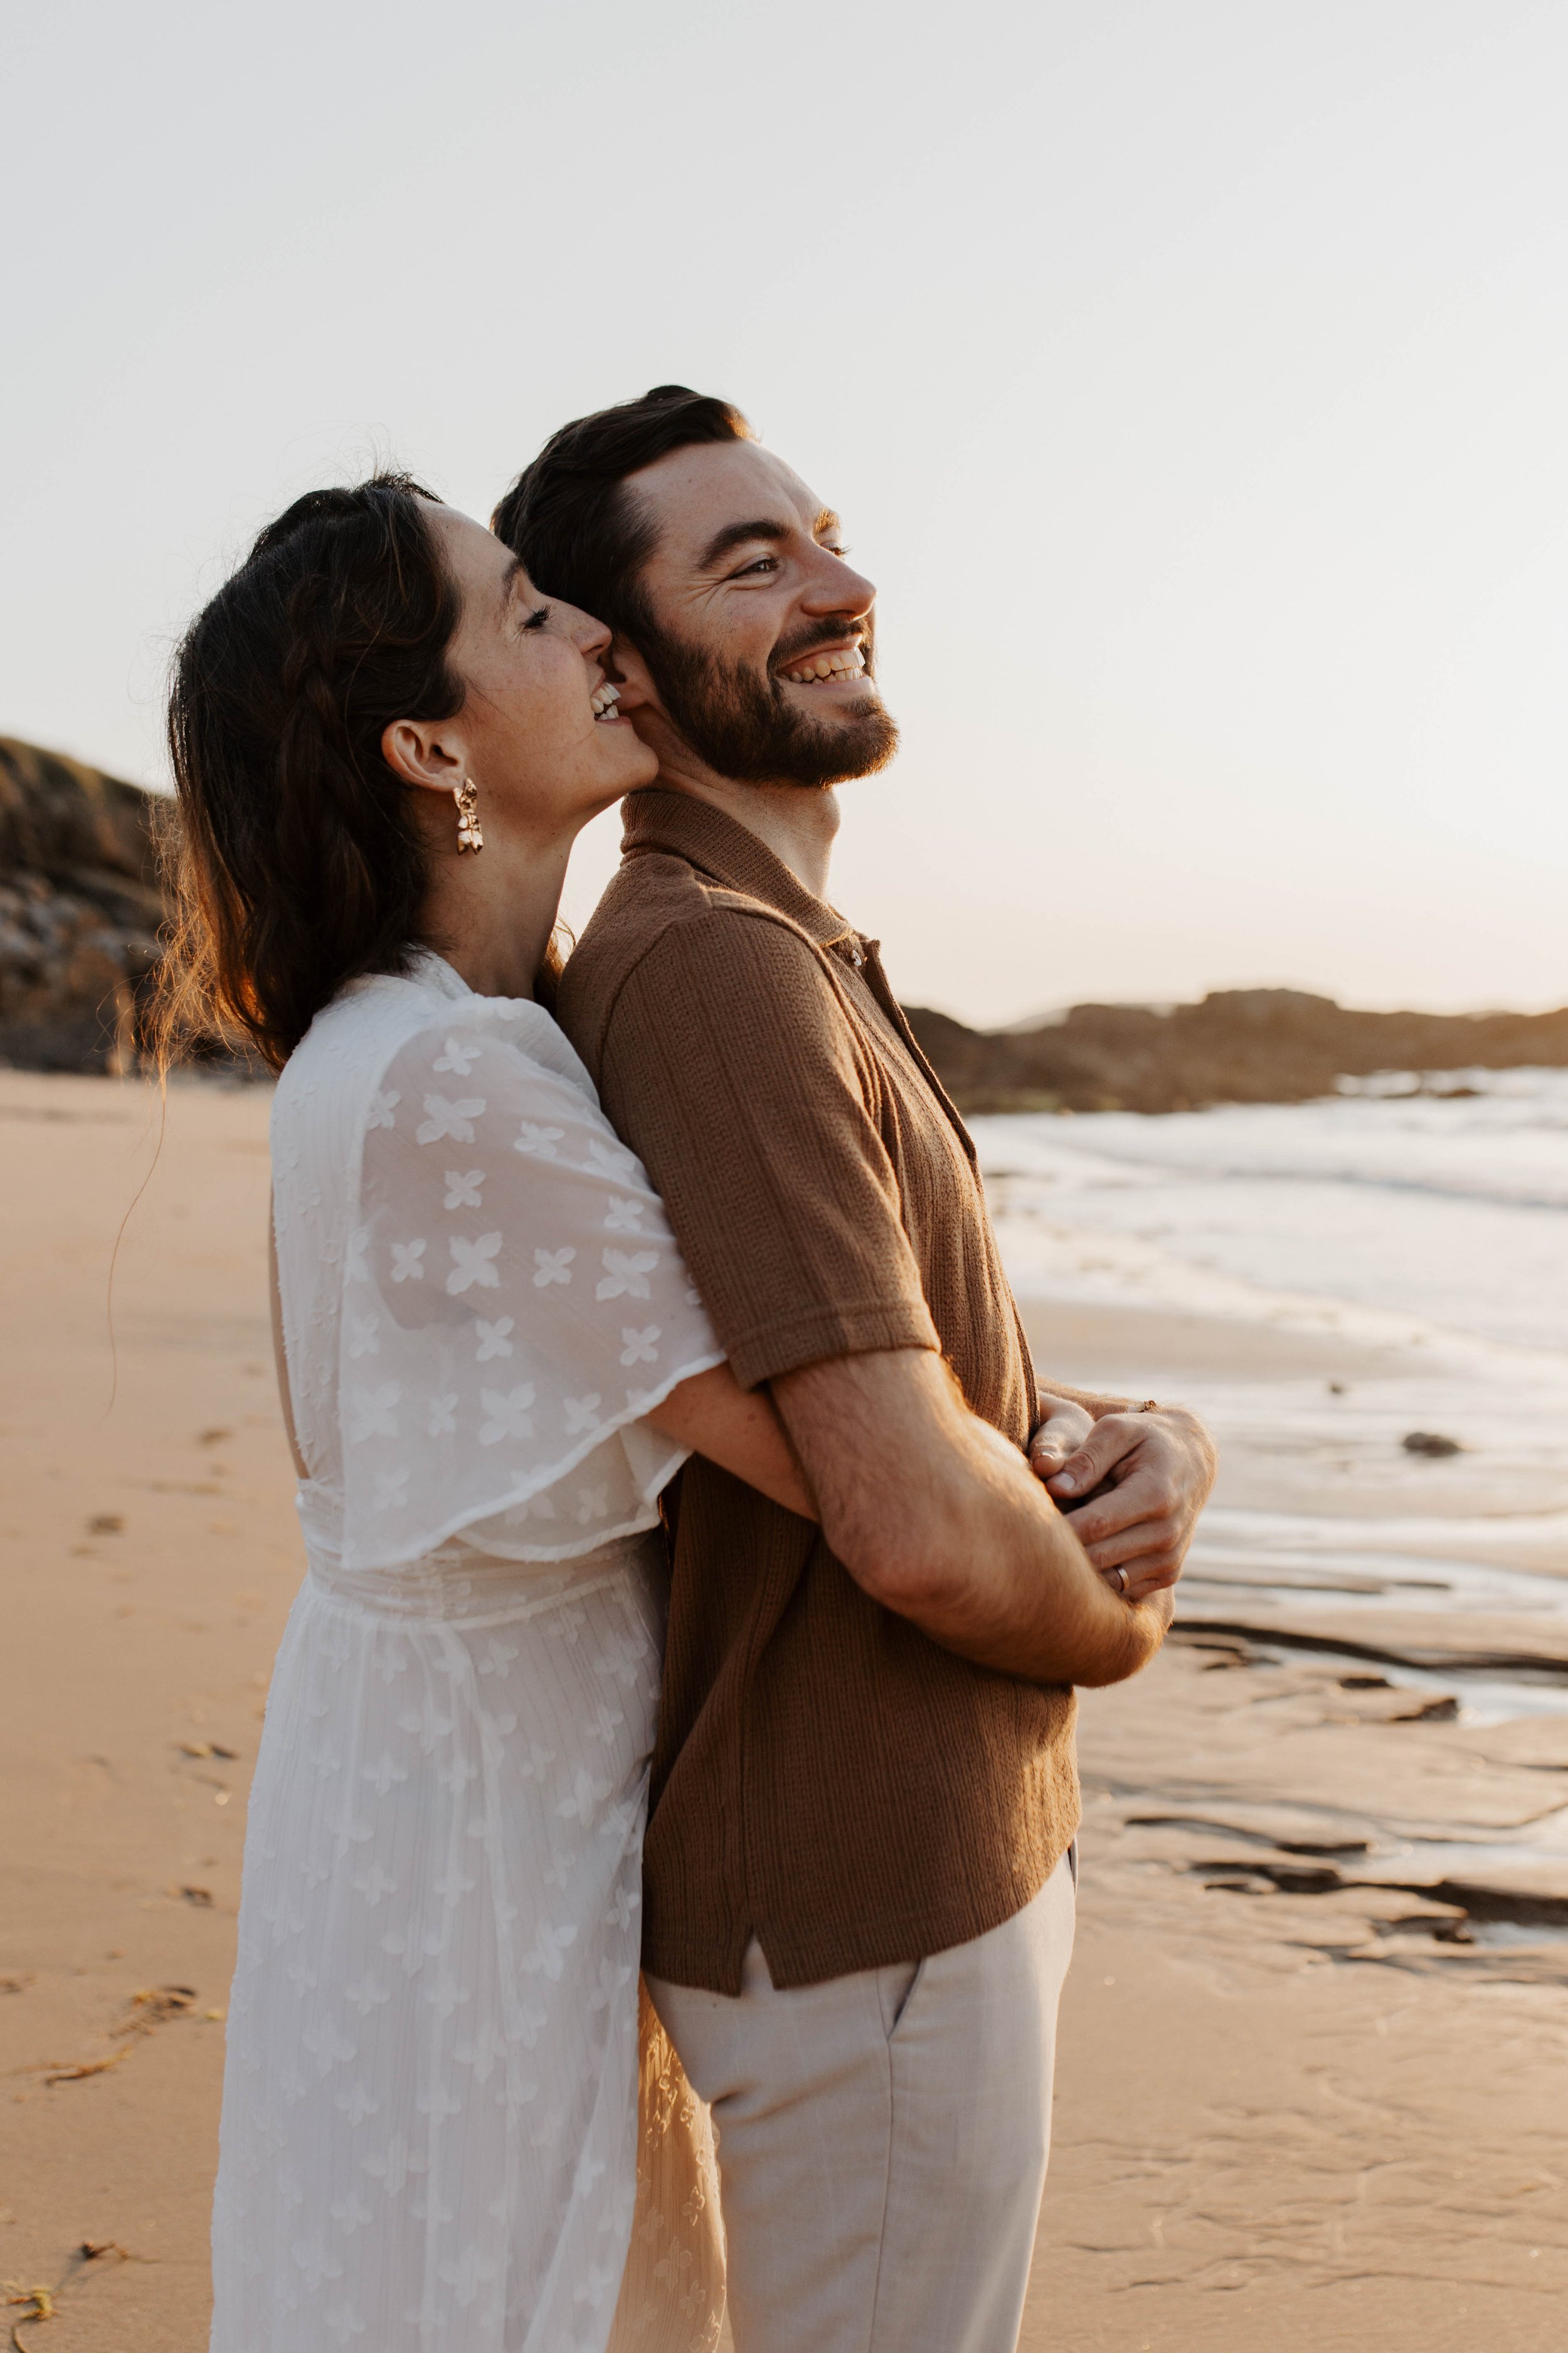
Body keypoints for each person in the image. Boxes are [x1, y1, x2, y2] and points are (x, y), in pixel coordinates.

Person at [494, 388, 1219, 2353]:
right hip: (869, 1899)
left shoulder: (783, 949)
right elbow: (904, 1519)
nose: (842, 588)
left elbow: (924, 1392)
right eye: (753, 565)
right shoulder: (717, 967)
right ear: (616, 670)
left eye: (821, 535)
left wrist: (1146, 1441)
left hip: (910, 1871)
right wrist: (1131, 1628)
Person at [161, 475, 827, 2353]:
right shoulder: (455, 1071)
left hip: (431, 1772)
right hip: (479, 1821)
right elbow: (813, 1444)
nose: (600, 636)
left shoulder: (411, 1033)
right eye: (531, 612)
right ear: (424, 744)